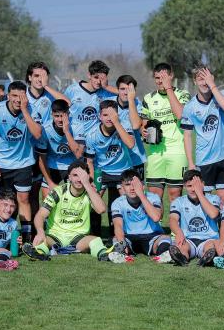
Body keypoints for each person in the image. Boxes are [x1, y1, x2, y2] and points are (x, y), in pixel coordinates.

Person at [22, 159, 124, 263]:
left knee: (96, 240)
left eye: (82, 175)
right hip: (55, 235)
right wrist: (40, 232)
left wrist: (87, 184)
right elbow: (40, 215)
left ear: (87, 176)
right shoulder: (58, 192)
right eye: (75, 175)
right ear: (69, 177)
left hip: (78, 237)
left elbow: (102, 209)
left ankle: (104, 254)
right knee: (43, 240)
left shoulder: (89, 192)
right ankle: (38, 254)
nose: (79, 179)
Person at [0, 81, 42, 245]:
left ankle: (27, 239)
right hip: (2, 164)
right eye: (14, 96)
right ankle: (2, 236)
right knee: (4, 202)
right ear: (8, 96)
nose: (17, 99)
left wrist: (24, 110)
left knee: (23, 200)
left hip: (23, 163)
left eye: (21, 96)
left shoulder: (30, 110)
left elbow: (37, 134)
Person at [25, 62, 71, 232]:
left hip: (43, 152)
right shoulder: (24, 96)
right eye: (36, 76)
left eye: (44, 76)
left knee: (39, 191)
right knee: (27, 194)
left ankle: (46, 227)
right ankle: (30, 229)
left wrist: (47, 87)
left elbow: (67, 103)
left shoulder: (50, 96)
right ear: (29, 77)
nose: (40, 79)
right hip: (25, 151)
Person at [141, 63, 192, 207]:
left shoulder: (183, 94)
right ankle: (156, 229)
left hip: (177, 151)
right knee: (154, 197)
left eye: (163, 77)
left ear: (171, 76)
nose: (160, 81)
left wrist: (169, 88)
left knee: (174, 195)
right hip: (155, 153)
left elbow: (180, 114)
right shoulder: (148, 98)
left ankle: (175, 230)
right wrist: (143, 131)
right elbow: (144, 124)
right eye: (157, 78)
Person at [181, 67, 224, 204]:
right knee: (204, 198)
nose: (204, 83)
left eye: (206, 78)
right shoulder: (189, 107)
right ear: (195, 81)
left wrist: (212, 85)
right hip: (204, 160)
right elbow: (187, 136)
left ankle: (221, 225)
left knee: (223, 198)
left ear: (212, 79)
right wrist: (191, 163)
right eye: (200, 79)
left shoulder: (221, 94)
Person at [84, 99, 135, 236]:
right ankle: (94, 235)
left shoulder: (124, 125)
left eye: (112, 115)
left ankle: (124, 234)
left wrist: (117, 123)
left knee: (125, 203)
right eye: (105, 115)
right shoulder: (92, 135)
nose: (109, 118)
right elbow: (89, 161)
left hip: (123, 170)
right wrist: (93, 181)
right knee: (95, 203)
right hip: (102, 171)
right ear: (100, 116)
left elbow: (130, 144)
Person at [110, 169, 172, 259]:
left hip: (152, 235)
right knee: (116, 239)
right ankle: (120, 254)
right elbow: (118, 226)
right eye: (127, 185)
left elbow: (156, 217)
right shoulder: (117, 203)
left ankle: (163, 256)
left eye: (134, 185)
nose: (131, 188)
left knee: (165, 238)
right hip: (129, 237)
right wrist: (122, 243)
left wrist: (141, 195)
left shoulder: (153, 197)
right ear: (122, 187)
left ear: (141, 185)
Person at [167, 169, 222, 267]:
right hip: (188, 239)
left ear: (202, 184)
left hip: (209, 238)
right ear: (184, 186)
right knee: (181, 246)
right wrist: (179, 233)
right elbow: (172, 220)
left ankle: (206, 258)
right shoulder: (179, 201)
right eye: (189, 186)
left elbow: (213, 214)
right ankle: (182, 258)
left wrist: (200, 193)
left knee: (211, 247)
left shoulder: (214, 198)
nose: (193, 189)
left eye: (195, 186)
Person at [63, 60, 117, 146]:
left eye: (102, 79)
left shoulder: (105, 93)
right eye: (96, 77)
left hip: (94, 142)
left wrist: (107, 86)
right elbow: (61, 109)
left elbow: (127, 95)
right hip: (74, 140)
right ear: (89, 75)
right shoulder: (72, 89)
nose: (99, 82)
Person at [36, 100, 84, 195]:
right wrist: (50, 183)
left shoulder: (77, 126)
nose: (60, 119)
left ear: (68, 114)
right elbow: (41, 159)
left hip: (72, 165)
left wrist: (66, 131)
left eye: (63, 115)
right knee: (47, 199)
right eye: (56, 116)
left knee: (74, 199)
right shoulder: (45, 129)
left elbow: (79, 154)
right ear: (52, 115)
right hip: (52, 165)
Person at [115, 75, 147, 180]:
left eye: (129, 90)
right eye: (122, 89)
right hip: (116, 159)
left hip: (136, 157)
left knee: (137, 191)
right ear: (117, 90)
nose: (125, 92)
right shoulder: (110, 104)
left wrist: (131, 100)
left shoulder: (137, 103)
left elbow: (136, 125)